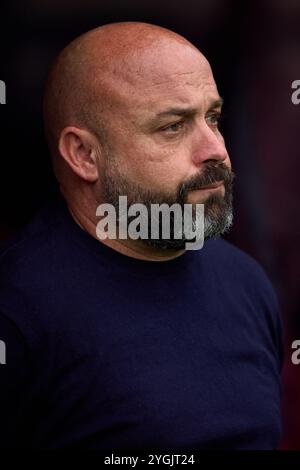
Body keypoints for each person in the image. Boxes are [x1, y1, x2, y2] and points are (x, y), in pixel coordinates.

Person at [0, 22, 282, 450]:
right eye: (173, 126)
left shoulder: (246, 283)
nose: (217, 149)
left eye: (213, 118)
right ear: (84, 155)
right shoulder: (18, 309)